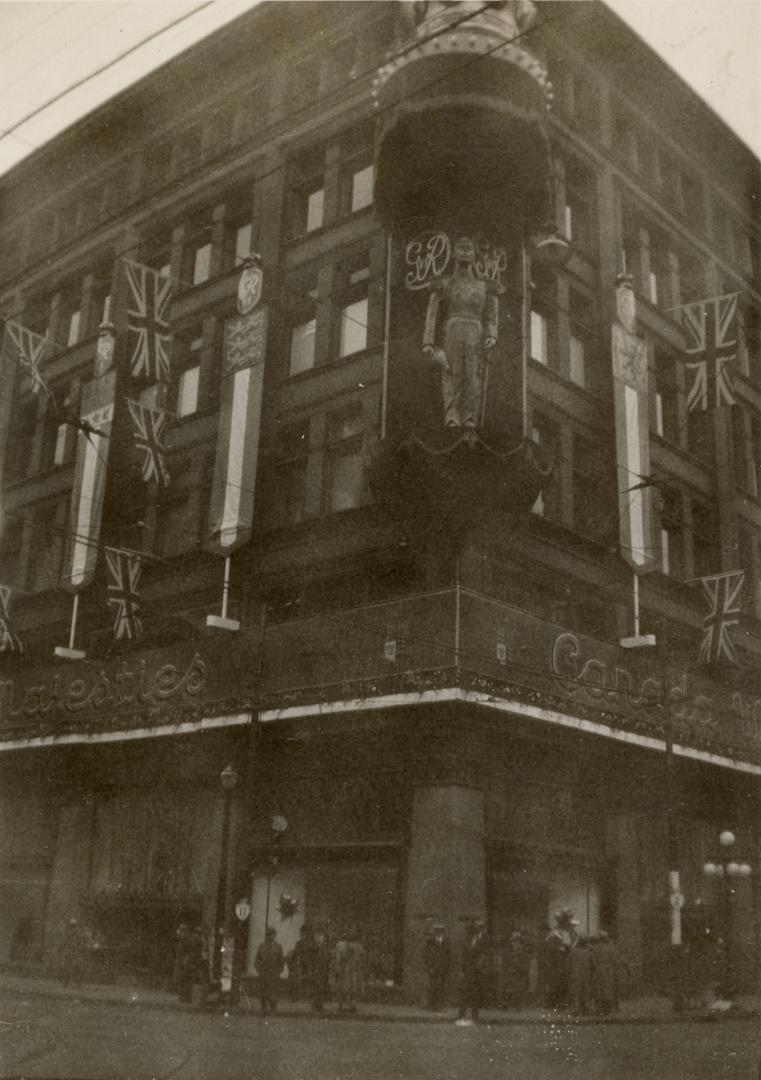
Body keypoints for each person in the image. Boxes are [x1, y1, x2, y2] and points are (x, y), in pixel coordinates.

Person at [422, 235, 499, 429]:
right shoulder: (445, 283)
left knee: (473, 374)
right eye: (461, 248)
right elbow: (432, 312)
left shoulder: (484, 286)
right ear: (454, 253)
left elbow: (491, 314)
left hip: (475, 330)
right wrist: (428, 342)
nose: (465, 251)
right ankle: (452, 415)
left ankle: (470, 416)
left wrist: (491, 334)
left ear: (474, 256)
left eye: (469, 249)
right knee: (452, 371)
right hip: (452, 329)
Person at [455, 918, 491, 1026]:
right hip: (468, 971)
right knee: (465, 993)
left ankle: (474, 1015)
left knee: (475, 994)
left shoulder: (482, 941)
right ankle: (461, 1014)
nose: (471, 934)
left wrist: (480, 966)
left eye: (473, 932)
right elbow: (463, 957)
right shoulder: (467, 942)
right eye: (470, 932)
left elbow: (484, 956)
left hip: (477, 972)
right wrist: (462, 970)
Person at [541, 909, 578, 1009]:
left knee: (562, 983)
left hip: (563, 961)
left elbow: (572, 945)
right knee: (556, 983)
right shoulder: (556, 933)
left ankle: (561, 1003)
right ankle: (554, 1003)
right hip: (557, 961)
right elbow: (551, 947)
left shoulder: (570, 932)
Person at [255, 927, 285, 1017]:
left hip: (273, 973)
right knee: (263, 993)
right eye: (268, 934)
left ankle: (273, 1009)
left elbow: (281, 961)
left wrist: (278, 971)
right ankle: (264, 1009)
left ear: (274, 936)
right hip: (264, 973)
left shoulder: (278, 947)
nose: (270, 936)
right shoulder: (262, 947)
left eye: (272, 934)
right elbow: (257, 960)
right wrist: (259, 970)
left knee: (273, 993)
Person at [334, 929, 366, 1014]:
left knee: (348, 987)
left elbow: (338, 958)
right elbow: (362, 959)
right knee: (349, 988)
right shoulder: (357, 946)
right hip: (349, 969)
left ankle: (347, 1005)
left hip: (349, 969)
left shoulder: (341, 945)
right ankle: (349, 1005)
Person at [423, 923, 451, 1012]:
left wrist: (447, 967)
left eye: (441, 931)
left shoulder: (446, 942)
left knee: (441, 988)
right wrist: (429, 967)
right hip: (433, 968)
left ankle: (439, 1006)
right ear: (434, 933)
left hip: (443, 969)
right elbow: (426, 955)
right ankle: (431, 1006)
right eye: (437, 931)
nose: (439, 933)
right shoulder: (430, 942)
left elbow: (449, 955)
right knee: (433, 987)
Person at [590, 931, 619, 1016]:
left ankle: (599, 1009)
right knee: (608, 989)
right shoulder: (611, 948)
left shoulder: (595, 949)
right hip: (608, 970)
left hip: (598, 970)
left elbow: (592, 960)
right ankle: (607, 1009)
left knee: (598, 990)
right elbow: (614, 960)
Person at [501, 930, 531, 1009]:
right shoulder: (508, 951)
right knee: (508, 986)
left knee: (519, 987)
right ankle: (506, 1002)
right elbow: (505, 962)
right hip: (510, 972)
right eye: (512, 941)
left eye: (515, 941)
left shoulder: (524, 951)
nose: (513, 943)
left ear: (519, 941)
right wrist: (508, 969)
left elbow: (526, 962)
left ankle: (518, 1004)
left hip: (520, 972)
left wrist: (521, 970)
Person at [59, 916, 88, 989]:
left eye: (74, 926)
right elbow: (64, 942)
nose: (73, 928)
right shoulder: (69, 933)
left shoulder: (77, 934)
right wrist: (61, 948)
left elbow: (80, 942)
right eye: (72, 926)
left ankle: (75, 983)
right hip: (71, 952)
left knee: (75, 967)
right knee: (69, 967)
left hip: (74, 952)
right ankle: (66, 983)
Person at [287, 924, 313, 1002]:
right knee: (296, 979)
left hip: (308, 964)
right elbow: (296, 953)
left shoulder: (311, 944)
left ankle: (307, 997)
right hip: (300, 964)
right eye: (301, 933)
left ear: (307, 934)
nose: (302, 935)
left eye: (304, 934)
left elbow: (311, 955)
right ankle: (295, 996)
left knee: (308, 980)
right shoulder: (298, 943)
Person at [568, 936, 592, 1015]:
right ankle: (586, 1008)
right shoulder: (588, 952)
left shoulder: (573, 952)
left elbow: (568, 963)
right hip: (586, 974)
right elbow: (592, 964)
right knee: (586, 992)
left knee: (576, 992)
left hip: (575, 974)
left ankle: (576, 1009)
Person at [309, 928, 331, 1013]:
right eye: (317, 936)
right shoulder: (313, 948)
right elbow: (310, 960)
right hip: (315, 971)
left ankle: (320, 1004)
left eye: (321, 936)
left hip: (323, 971)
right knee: (315, 988)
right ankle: (315, 1004)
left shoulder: (325, 949)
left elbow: (328, 959)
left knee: (322, 988)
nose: (319, 938)